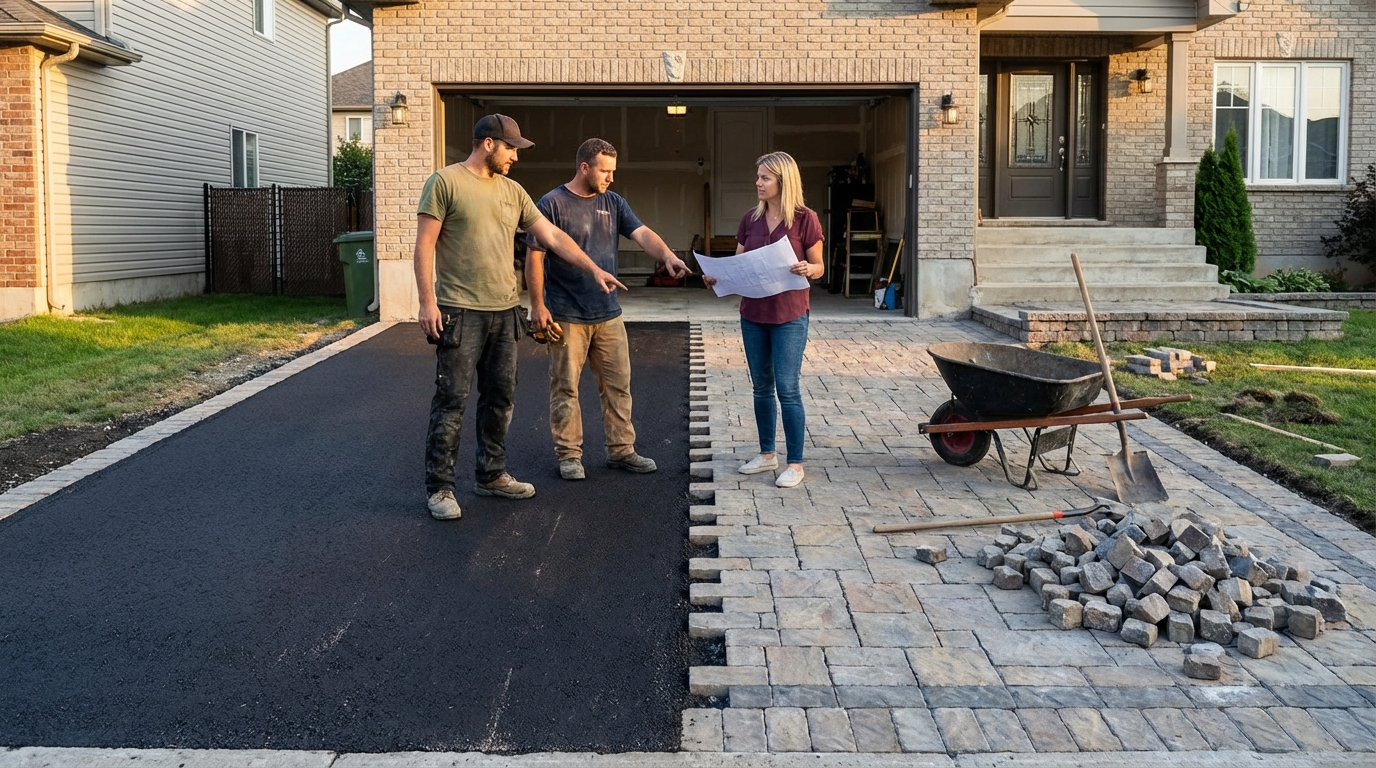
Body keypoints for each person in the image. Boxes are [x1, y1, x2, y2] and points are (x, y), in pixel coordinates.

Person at [414, 114, 627, 521]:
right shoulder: (444, 183)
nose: (516, 156)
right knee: (451, 401)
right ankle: (440, 488)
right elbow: (424, 245)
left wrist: (593, 268)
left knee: (501, 398)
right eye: (512, 148)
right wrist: (427, 302)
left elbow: (552, 236)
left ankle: (491, 476)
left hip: (504, 311)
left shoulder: (513, 191)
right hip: (459, 310)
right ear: (489, 144)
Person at [526, 138, 691, 480]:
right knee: (565, 386)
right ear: (584, 167)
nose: (611, 178)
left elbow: (642, 233)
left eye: (613, 171)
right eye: (605, 171)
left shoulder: (613, 202)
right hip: (566, 315)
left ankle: (621, 451)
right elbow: (535, 257)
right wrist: (538, 305)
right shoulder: (552, 204)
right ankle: (569, 455)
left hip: (608, 314)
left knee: (618, 386)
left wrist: (668, 256)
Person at [702, 152, 823, 488]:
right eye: (757, 177)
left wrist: (807, 268)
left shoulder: (805, 219)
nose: (758, 183)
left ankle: (795, 464)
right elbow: (738, 267)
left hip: (790, 315)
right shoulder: (749, 220)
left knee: (787, 388)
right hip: (753, 315)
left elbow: (819, 267)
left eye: (765, 178)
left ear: (783, 181)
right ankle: (767, 455)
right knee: (761, 388)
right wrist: (716, 277)